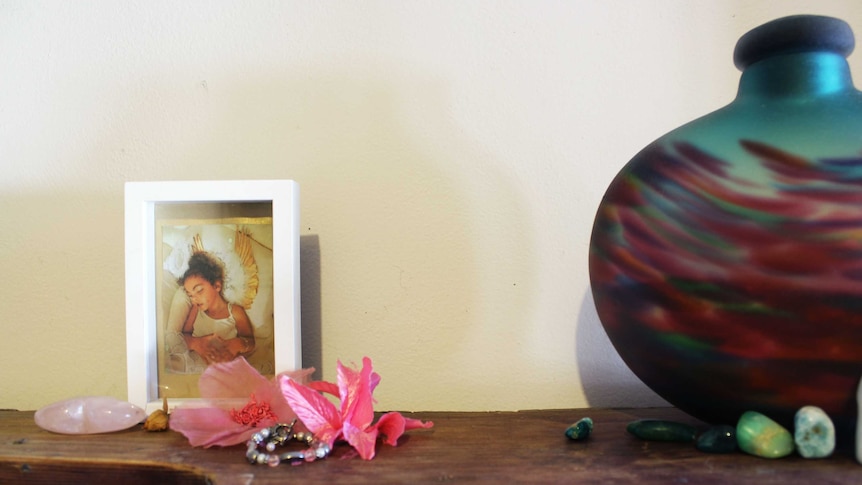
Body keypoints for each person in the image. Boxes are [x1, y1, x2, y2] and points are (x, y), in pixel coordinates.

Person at [176, 251, 256, 365]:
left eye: (199, 291)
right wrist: (197, 343)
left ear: (217, 286)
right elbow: (183, 337)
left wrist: (236, 344)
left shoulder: (235, 312)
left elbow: (251, 342)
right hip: (197, 365)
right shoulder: (195, 310)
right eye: (190, 295)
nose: (194, 299)